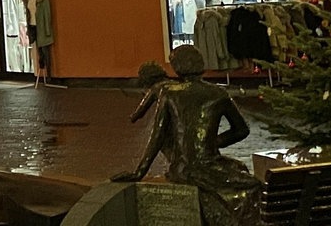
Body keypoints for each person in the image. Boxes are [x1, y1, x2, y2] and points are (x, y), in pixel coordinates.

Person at [112, 45, 261, 226]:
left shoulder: (170, 93)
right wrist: (216, 141)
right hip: (208, 164)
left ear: (177, 68)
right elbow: (241, 130)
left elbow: (157, 137)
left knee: (237, 171)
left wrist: (139, 172)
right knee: (249, 182)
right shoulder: (218, 93)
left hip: (183, 168)